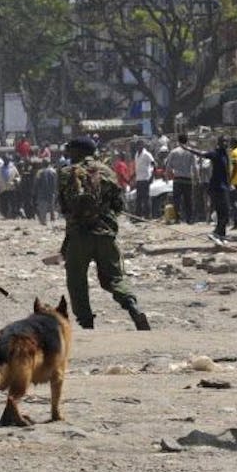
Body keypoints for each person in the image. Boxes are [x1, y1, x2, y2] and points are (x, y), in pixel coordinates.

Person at [58, 136, 151, 332]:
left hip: (78, 236)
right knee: (115, 278)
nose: (68, 154)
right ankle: (132, 307)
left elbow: (64, 207)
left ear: (78, 152)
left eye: (71, 151)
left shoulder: (67, 172)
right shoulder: (107, 171)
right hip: (105, 235)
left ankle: (86, 322)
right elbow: (118, 205)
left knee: (77, 281)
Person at [190, 136, 232, 240]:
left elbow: (226, 172)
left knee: (224, 212)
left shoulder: (225, 154)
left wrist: (229, 184)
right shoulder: (216, 154)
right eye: (224, 142)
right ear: (219, 143)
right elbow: (201, 154)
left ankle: (221, 234)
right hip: (217, 187)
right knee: (223, 211)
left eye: (227, 142)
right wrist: (187, 148)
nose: (226, 144)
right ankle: (217, 233)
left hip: (224, 187)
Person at [165, 134, 196, 223]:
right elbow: (194, 167)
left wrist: (167, 176)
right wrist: (197, 178)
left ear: (178, 141)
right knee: (188, 200)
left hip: (178, 179)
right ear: (187, 141)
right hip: (188, 179)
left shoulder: (174, 152)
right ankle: (189, 219)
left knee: (177, 200)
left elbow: (168, 166)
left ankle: (177, 218)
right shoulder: (190, 152)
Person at [133, 142, 155, 219]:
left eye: (139, 145)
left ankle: (148, 215)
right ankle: (138, 215)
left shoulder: (147, 154)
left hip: (145, 178)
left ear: (142, 146)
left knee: (146, 198)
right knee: (138, 198)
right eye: (137, 145)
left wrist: (152, 176)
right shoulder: (136, 154)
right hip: (139, 179)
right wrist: (132, 177)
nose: (138, 147)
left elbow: (154, 164)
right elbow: (137, 167)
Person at [33, 159, 58, 225]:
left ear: (42, 164)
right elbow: (56, 183)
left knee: (42, 209)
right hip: (51, 193)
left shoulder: (39, 172)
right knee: (52, 208)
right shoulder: (53, 171)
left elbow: (36, 183)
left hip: (42, 193)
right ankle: (53, 222)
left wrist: (35, 192)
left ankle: (43, 222)